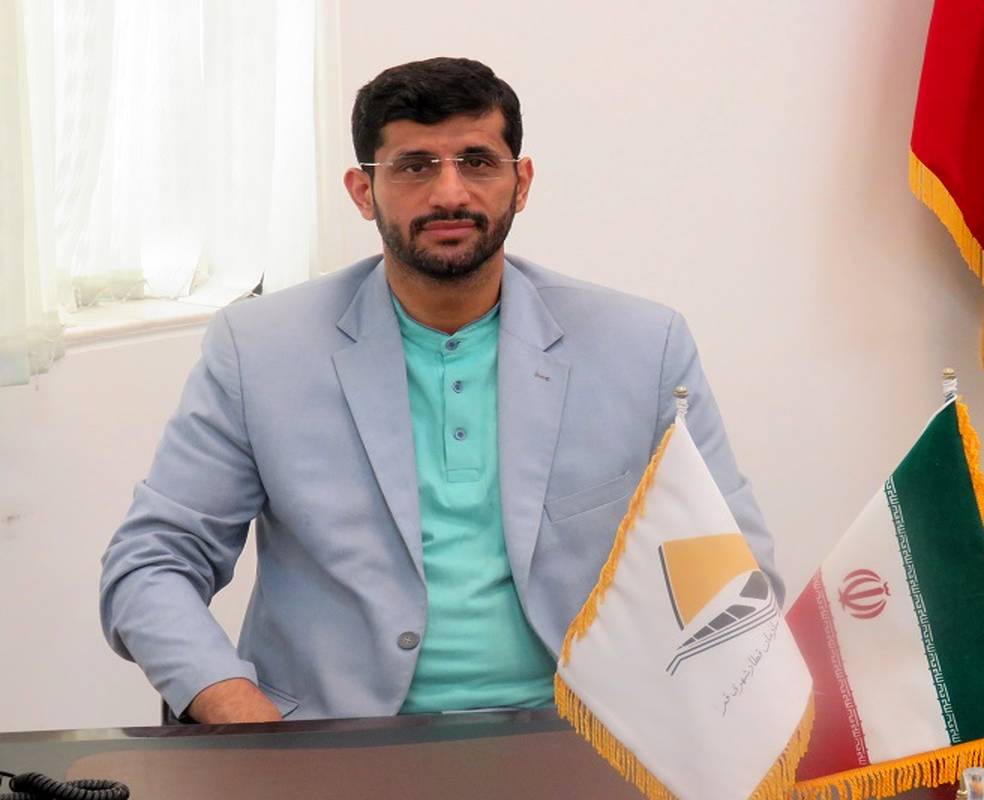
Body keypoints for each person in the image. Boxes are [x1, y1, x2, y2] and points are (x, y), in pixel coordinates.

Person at [99, 57, 779, 724]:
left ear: (521, 183)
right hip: (332, 746)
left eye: (477, 162)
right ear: (363, 191)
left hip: (579, 737)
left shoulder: (642, 346)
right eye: (414, 166)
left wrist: (685, 724)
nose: (450, 193)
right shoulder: (259, 351)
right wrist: (238, 712)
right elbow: (151, 563)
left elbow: (734, 568)